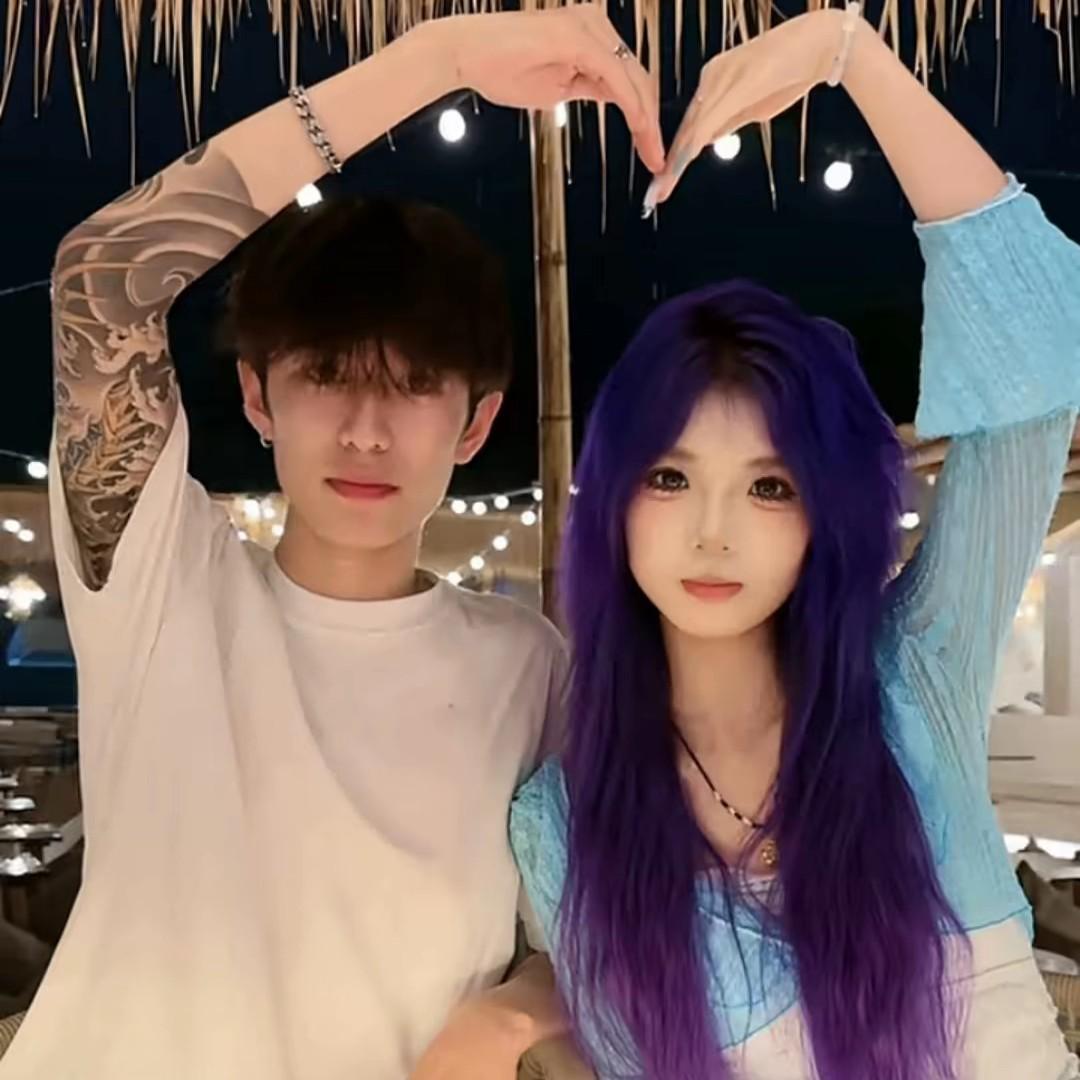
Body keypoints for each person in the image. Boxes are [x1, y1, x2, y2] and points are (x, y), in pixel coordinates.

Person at [2, 7, 665, 1079]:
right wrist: (440, 59)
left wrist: (508, 1019)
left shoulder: (525, 664)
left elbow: (587, 939)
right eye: (324, 376)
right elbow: (104, 270)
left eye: (414, 385)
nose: (365, 430)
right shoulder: (167, 588)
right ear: (257, 396)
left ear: (476, 423)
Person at [511, 7, 1080, 1079]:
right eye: (670, 477)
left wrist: (849, 54)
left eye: (769, 486)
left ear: (826, 512)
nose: (713, 533)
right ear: (614, 500)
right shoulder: (565, 824)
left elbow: (1040, 367)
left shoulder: (910, 683)